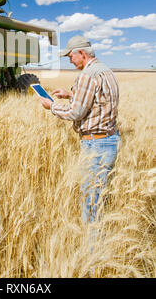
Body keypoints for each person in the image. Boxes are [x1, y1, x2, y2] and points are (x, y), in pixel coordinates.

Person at [40, 35, 122, 223]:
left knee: (90, 201)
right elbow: (100, 100)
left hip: (96, 145)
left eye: (70, 56)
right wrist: (70, 94)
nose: (70, 61)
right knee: (100, 196)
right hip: (110, 140)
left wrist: (51, 106)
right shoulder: (105, 71)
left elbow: (75, 113)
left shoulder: (87, 75)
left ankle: (92, 249)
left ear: (82, 53)